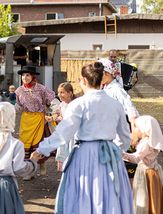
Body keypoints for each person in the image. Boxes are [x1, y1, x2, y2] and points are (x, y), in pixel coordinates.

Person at [32, 62, 134, 214]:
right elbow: (125, 136)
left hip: (86, 155)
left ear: (85, 80)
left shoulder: (79, 104)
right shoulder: (115, 104)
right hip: (110, 156)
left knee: (85, 193)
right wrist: (117, 151)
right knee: (108, 195)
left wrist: (43, 148)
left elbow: (64, 132)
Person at [123, 116, 163, 214]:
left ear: (144, 129)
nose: (135, 129)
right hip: (153, 172)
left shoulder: (145, 144)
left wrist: (123, 154)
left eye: (136, 127)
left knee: (144, 197)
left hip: (145, 174)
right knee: (153, 196)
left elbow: (136, 158)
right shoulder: (152, 141)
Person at [15, 66, 55, 179]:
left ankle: (41, 162)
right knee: (25, 144)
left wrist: (57, 109)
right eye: (23, 75)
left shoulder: (41, 89)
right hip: (26, 119)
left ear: (33, 76)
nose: (25, 77)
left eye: (27, 75)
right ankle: (28, 171)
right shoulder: (19, 91)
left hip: (39, 119)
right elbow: (18, 105)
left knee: (37, 143)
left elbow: (51, 100)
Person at [100, 58, 139, 151]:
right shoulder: (106, 88)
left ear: (107, 73)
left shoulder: (116, 89)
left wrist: (134, 132)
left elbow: (130, 108)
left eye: (99, 74)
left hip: (118, 137)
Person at [45, 82, 75, 172]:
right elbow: (58, 115)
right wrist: (51, 118)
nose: (60, 95)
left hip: (72, 135)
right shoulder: (62, 105)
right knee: (63, 155)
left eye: (62, 92)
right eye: (58, 92)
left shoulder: (74, 104)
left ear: (70, 93)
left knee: (71, 155)